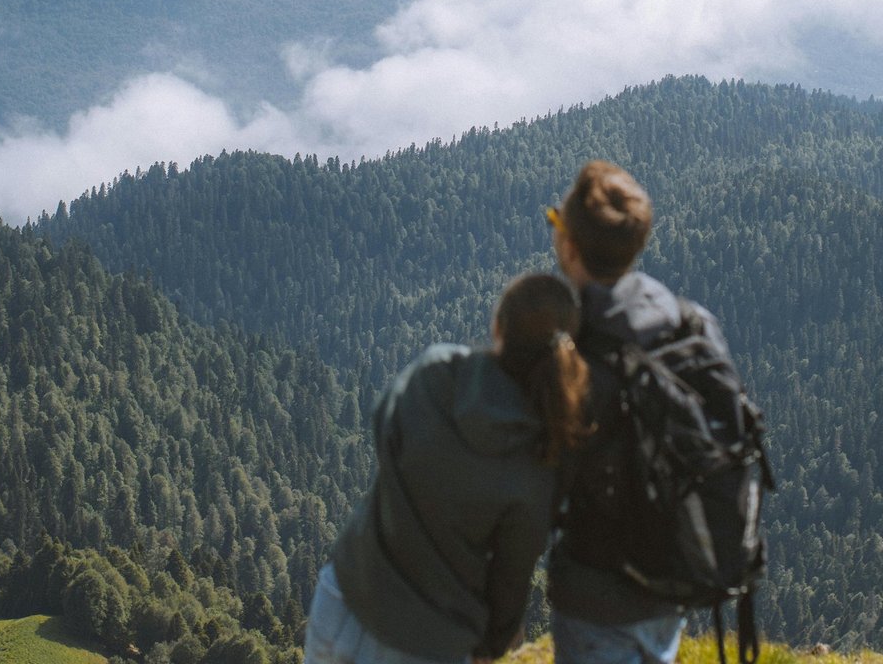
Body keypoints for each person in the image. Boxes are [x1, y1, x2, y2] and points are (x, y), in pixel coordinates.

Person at [307, 272, 592, 664]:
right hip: (428, 643)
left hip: (344, 596)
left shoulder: (435, 371)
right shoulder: (537, 464)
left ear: (497, 326)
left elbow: (382, 428)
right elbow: (509, 582)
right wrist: (489, 647)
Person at [546, 160, 734, 664]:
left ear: (569, 246)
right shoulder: (690, 323)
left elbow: (540, 482)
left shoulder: (571, 354)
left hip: (594, 594)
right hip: (671, 577)